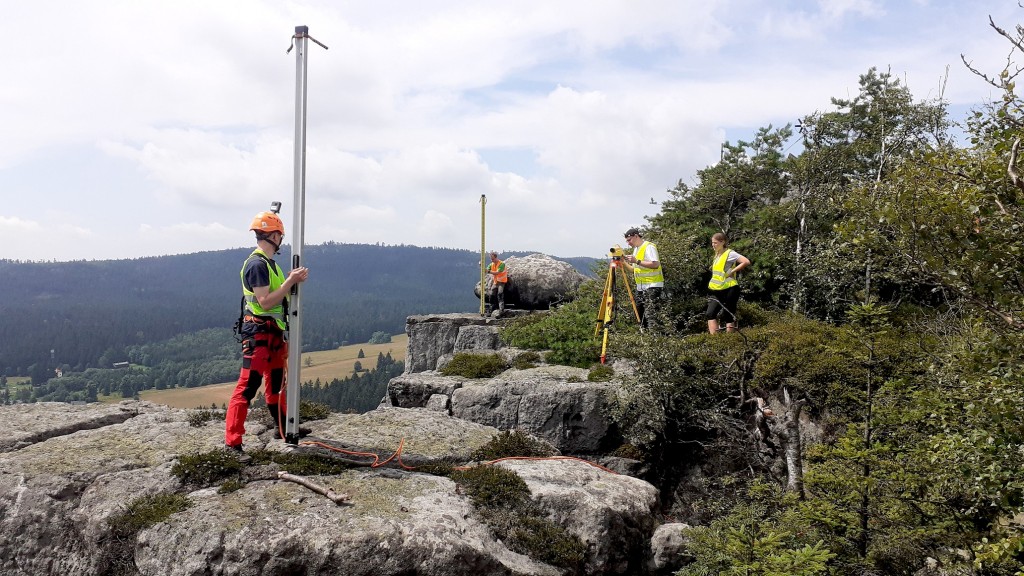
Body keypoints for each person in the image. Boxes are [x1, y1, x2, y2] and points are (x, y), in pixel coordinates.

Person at [225, 210, 309, 451]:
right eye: (280, 235)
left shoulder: (268, 264)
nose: (281, 239)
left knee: (276, 383)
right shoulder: (256, 264)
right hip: (258, 334)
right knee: (248, 386)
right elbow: (265, 302)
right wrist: (290, 281)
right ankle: (233, 444)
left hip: (272, 333)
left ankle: (281, 426)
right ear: (274, 235)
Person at [706, 232, 750, 334]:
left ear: (723, 242)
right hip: (716, 289)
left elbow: (746, 261)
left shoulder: (730, 253)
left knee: (728, 315)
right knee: (710, 314)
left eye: (715, 243)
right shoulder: (716, 254)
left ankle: (729, 341)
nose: (713, 245)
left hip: (730, 289)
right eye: (712, 243)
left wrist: (732, 271)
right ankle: (715, 341)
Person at [623, 227, 664, 330]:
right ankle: (644, 336)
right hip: (641, 287)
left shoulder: (648, 246)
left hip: (652, 285)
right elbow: (634, 270)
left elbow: (655, 264)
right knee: (639, 313)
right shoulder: (636, 250)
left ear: (636, 236)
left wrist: (637, 261)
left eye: (629, 240)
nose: (628, 243)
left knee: (651, 315)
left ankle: (654, 337)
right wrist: (622, 263)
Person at [486, 251, 508, 316]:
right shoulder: (491, 264)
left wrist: (489, 271)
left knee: (500, 294)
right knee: (491, 294)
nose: (491, 260)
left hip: (502, 282)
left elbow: (497, 272)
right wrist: (483, 267)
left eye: (492, 258)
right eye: (491, 258)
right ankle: (491, 309)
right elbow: (487, 270)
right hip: (496, 282)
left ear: (496, 257)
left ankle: (501, 311)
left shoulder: (501, 264)